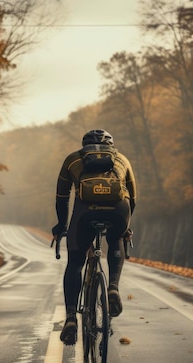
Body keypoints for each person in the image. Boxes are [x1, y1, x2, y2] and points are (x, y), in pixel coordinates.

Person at [52, 129, 137, 345]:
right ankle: (113, 289)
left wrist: (61, 226)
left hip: (84, 214)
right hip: (119, 211)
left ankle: (71, 318)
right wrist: (125, 227)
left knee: (75, 263)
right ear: (111, 145)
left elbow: (62, 198)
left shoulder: (72, 160)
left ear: (84, 146)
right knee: (116, 239)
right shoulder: (121, 159)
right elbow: (133, 197)